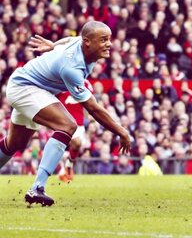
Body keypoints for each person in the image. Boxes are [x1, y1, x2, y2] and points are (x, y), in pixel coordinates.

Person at [0, 21, 131, 206]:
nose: (109, 44)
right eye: (103, 40)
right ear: (88, 42)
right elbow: (92, 108)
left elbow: (71, 39)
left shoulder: (81, 44)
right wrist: (121, 132)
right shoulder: (72, 67)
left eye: (109, 39)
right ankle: (37, 188)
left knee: (15, 143)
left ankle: (37, 186)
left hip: (27, 84)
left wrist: (53, 45)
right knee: (68, 125)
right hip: (26, 88)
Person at [56, 79, 94, 182]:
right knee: (59, 148)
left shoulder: (85, 83)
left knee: (77, 144)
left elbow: (89, 102)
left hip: (79, 124)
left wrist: (90, 117)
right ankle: (64, 170)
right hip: (62, 122)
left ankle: (68, 166)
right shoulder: (60, 81)